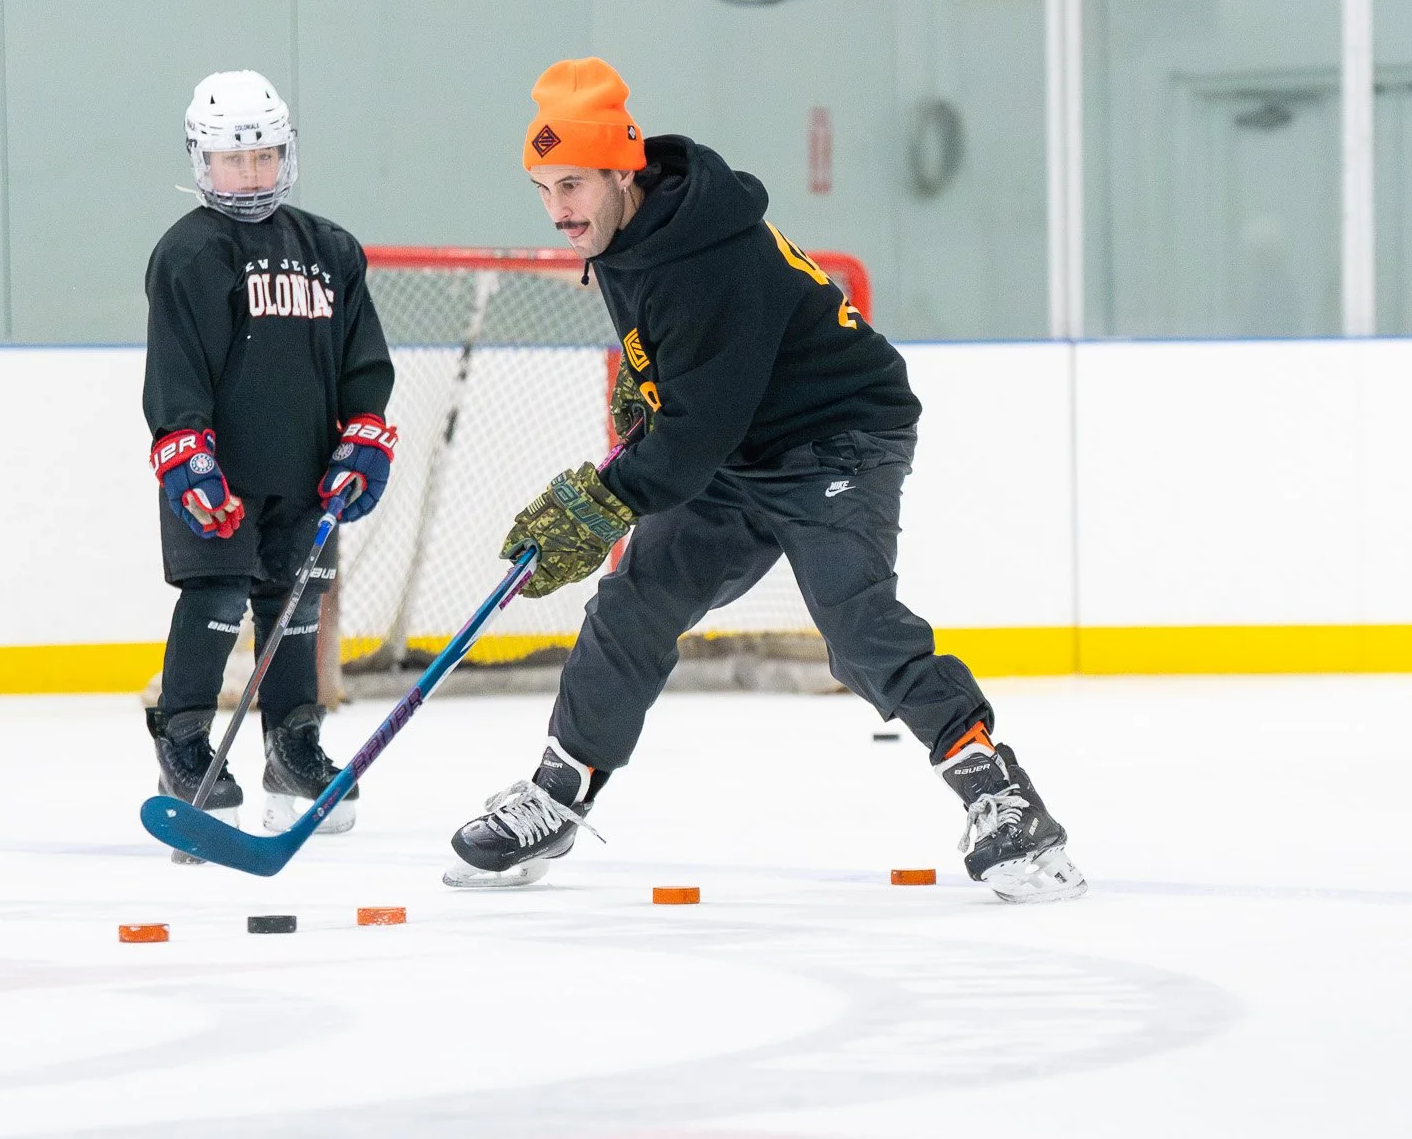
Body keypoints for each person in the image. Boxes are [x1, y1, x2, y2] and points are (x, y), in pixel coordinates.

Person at [444, 58, 1085, 903]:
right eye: (542, 187)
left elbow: (695, 431)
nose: (558, 209)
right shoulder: (629, 234)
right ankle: (559, 794)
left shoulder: (707, 254)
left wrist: (599, 502)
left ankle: (1000, 795)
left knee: (855, 625)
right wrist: (651, 390)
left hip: (837, 439)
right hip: (739, 450)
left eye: (572, 185)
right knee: (632, 605)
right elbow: (695, 397)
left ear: (621, 172)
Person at [143, 69, 396, 849]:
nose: (249, 174)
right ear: (200, 159)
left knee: (295, 610)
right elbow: (175, 366)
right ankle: (185, 746)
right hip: (220, 477)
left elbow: (362, 359)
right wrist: (185, 450)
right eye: (231, 160)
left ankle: (292, 745)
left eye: (264, 157)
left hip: (306, 475)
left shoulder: (330, 249)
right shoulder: (188, 253)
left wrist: (364, 431)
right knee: (215, 600)